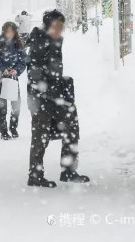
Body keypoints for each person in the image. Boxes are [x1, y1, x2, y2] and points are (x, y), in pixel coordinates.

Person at [25, 10, 89, 188]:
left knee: (71, 129)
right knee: (40, 135)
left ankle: (68, 170)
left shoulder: (54, 40)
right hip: (40, 98)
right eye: (58, 25)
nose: (61, 29)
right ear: (49, 26)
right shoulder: (39, 43)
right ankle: (35, 175)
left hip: (55, 96)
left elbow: (53, 72)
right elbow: (35, 74)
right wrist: (51, 91)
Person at [0, 22, 26, 140]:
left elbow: (23, 61)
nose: (10, 34)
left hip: (12, 79)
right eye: (7, 31)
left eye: (12, 31)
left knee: (16, 105)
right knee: (2, 106)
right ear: (3, 32)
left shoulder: (18, 45)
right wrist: (2, 70)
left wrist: (16, 70)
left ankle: (13, 128)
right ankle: (4, 132)